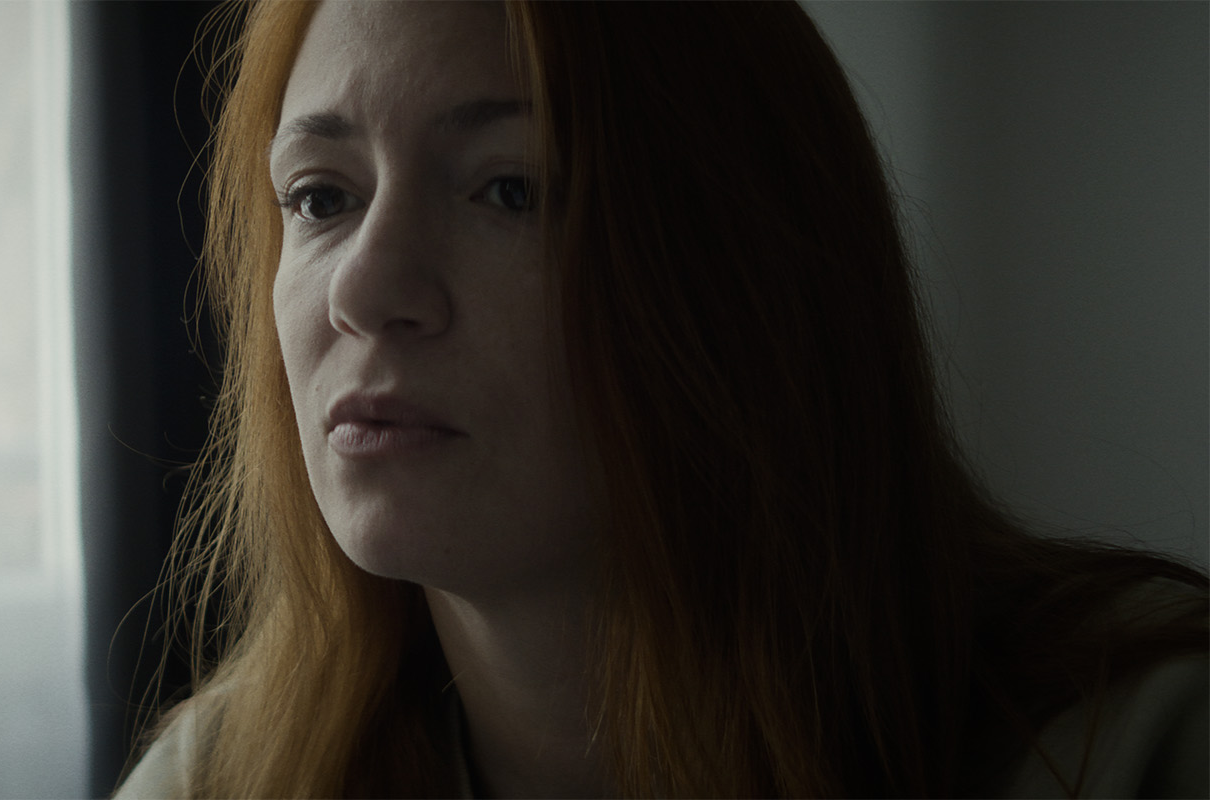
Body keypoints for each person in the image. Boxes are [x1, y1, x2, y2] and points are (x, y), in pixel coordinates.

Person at [114, 1, 1209, 797]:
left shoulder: (1139, 749)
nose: (363, 288)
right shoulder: (227, 780)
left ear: (747, 272)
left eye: (510, 188)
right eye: (320, 198)